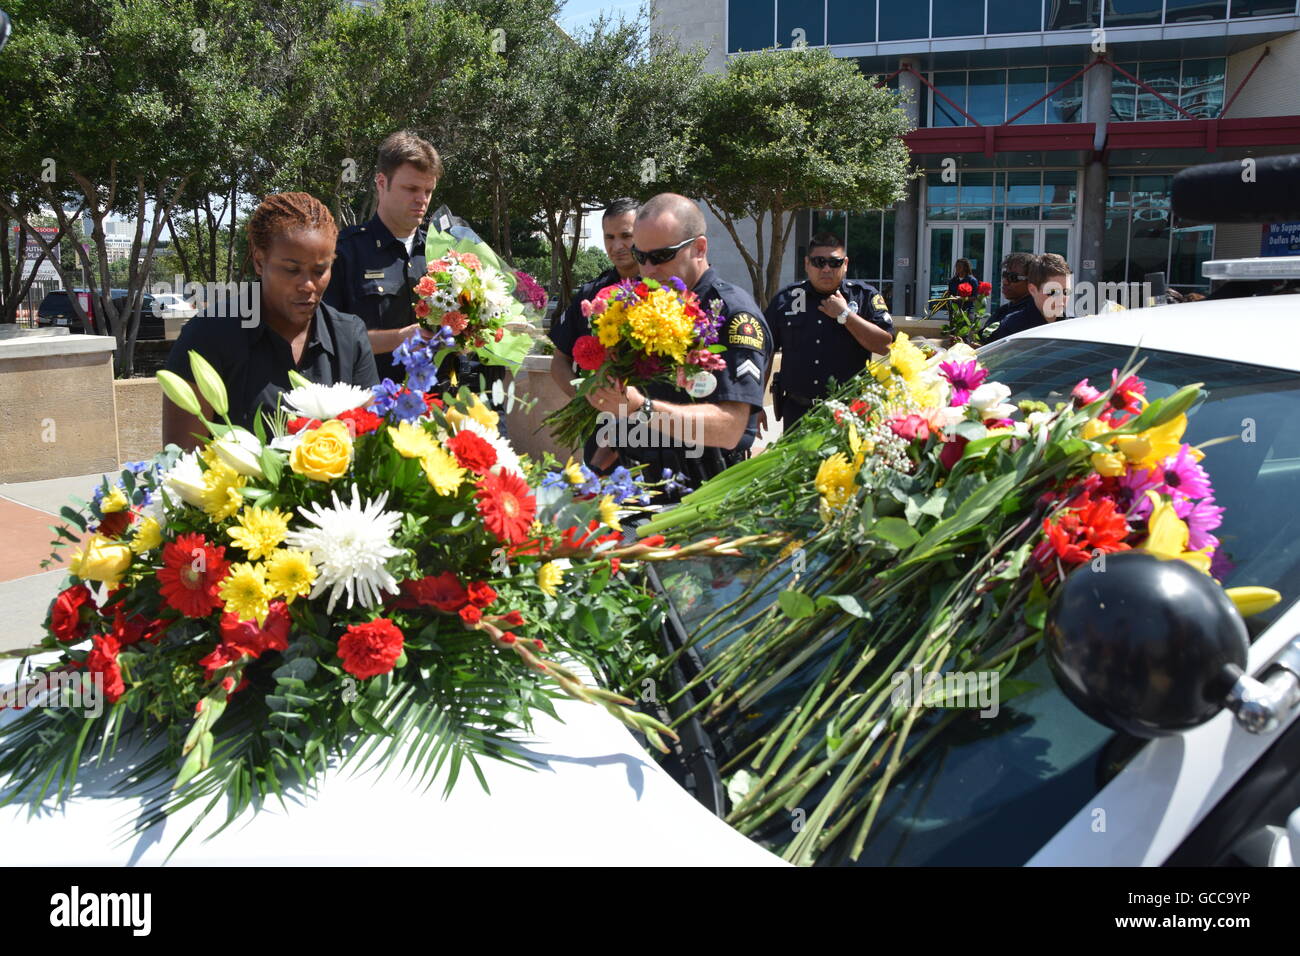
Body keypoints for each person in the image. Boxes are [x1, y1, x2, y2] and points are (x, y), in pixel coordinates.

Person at [582, 192, 773, 493]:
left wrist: (641, 408)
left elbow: (731, 429)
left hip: (705, 488)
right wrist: (594, 471)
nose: (648, 269)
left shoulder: (733, 315)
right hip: (643, 483)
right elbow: (632, 408)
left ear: (699, 248)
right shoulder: (649, 306)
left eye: (661, 256)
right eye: (640, 257)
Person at [162, 192, 379, 450]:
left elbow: (368, 447)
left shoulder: (349, 336)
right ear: (258, 260)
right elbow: (181, 460)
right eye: (291, 269)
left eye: (320, 270)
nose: (308, 285)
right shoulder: (208, 335)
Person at [324, 131, 443, 384]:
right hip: (369, 407)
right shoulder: (344, 252)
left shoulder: (442, 254)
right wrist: (398, 338)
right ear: (381, 183)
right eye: (410, 188)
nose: (421, 199)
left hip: (436, 405)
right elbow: (325, 336)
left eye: (428, 190)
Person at [764, 231, 894, 427]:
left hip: (849, 414)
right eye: (818, 262)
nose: (826, 269)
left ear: (846, 264)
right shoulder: (786, 299)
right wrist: (754, 405)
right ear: (807, 264)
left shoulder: (864, 296)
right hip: (797, 414)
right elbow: (765, 351)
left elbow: (885, 345)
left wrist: (846, 316)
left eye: (834, 263)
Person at [547, 197, 640, 465]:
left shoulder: (664, 291)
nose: (617, 245)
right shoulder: (590, 294)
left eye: (626, 236)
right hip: (600, 430)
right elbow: (559, 361)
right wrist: (587, 399)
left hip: (653, 429)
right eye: (609, 237)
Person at [983, 253, 1073, 344]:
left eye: (1066, 292)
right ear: (1033, 290)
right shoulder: (1012, 326)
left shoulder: (1073, 325)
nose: (1061, 298)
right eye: (1053, 292)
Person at [980, 252, 1034, 341]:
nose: (1005, 281)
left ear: (1032, 281)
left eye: (1013, 277)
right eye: (1004, 275)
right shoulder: (1004, 310)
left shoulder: (1033, 313)